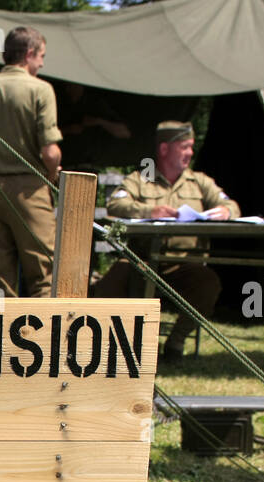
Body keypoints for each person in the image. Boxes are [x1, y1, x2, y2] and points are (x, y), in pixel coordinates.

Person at [90, 121, 240, 362]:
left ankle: (176, 342)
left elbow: (232, 206)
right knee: (108, 286)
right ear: (164, 149)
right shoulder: (141, 179)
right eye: (184, 147)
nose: (190, 153)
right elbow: (116, 204)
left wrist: (226, 212)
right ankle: (118, 345)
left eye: (191, 147)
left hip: (184, 264)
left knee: (208, 284)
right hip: (143, 262)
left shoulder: (200, 182)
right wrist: (150, 211)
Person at [0, 26, 62, 297]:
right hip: (30, 190)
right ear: (29, 54)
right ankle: (42, 339)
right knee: (44, 275)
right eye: (41, 56)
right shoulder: (41, 90)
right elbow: (50, 152)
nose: (42, 63)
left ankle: (0, 338)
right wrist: (51, 176)